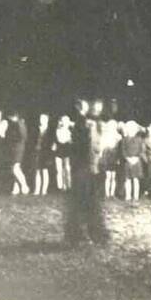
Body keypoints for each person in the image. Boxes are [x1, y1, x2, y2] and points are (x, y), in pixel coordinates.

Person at [64, 99, 109, 246]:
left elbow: (89, 147)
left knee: (83, 202)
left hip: (82, 168)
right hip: (85, 168)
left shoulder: (82, 123)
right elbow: (91, 146)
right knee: (89, 202)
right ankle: (89, 235)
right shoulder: (86, 124)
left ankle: (81, 235)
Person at [120, 120, 144, 202]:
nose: (131, 130)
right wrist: (128, 158)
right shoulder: (124, 140)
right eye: (129, 128)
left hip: (137, 161)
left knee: (136, 179)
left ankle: (136, 196)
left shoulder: (139, 139)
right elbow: (123, 151)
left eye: (133, 129)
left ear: (136, 130)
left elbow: (142, 151)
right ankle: (128, 195)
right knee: (128, 179)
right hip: (128, 161)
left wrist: (137, 158)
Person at [7, 110, 30, 195]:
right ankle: (16, 188)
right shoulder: (16, 124)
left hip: (18, 148)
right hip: (15, 148)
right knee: (15, 168)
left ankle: (24, 186)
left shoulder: (19, 124)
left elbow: (22, 137)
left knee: (15, 168)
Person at [31, 113, 53, 196]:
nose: (41, 120)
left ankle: (44, 190)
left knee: (44, 171)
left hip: (46, 153)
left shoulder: (50, 130)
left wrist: (50, 154)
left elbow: (51, 143)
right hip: (37, 152)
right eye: (40, 118)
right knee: (37, 171)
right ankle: (37, 189)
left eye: (43, 119)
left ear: (47, 120)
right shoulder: (36, 129)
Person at [101, 119, 120, 199]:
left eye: (114, 126)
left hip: (114, 156)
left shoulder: (118, 136)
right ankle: (107, 193)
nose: (112, 127)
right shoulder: (105, 135)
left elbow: (119, 148)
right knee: (108, 176)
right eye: (111, 126)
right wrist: (101, 156)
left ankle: (112, 194)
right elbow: (102, 147)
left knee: (114, 176)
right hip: (107, 156)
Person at [53, 115, 73, 191]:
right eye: (64, 120)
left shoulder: (70, 130)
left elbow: (70, 141)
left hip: (67, 151)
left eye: (67, 121)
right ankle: (61, 186)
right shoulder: (58, 130)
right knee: (59, 169)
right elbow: (60, 140)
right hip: (59, 150)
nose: (66, 122)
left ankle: (68, 185)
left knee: (67, 168)